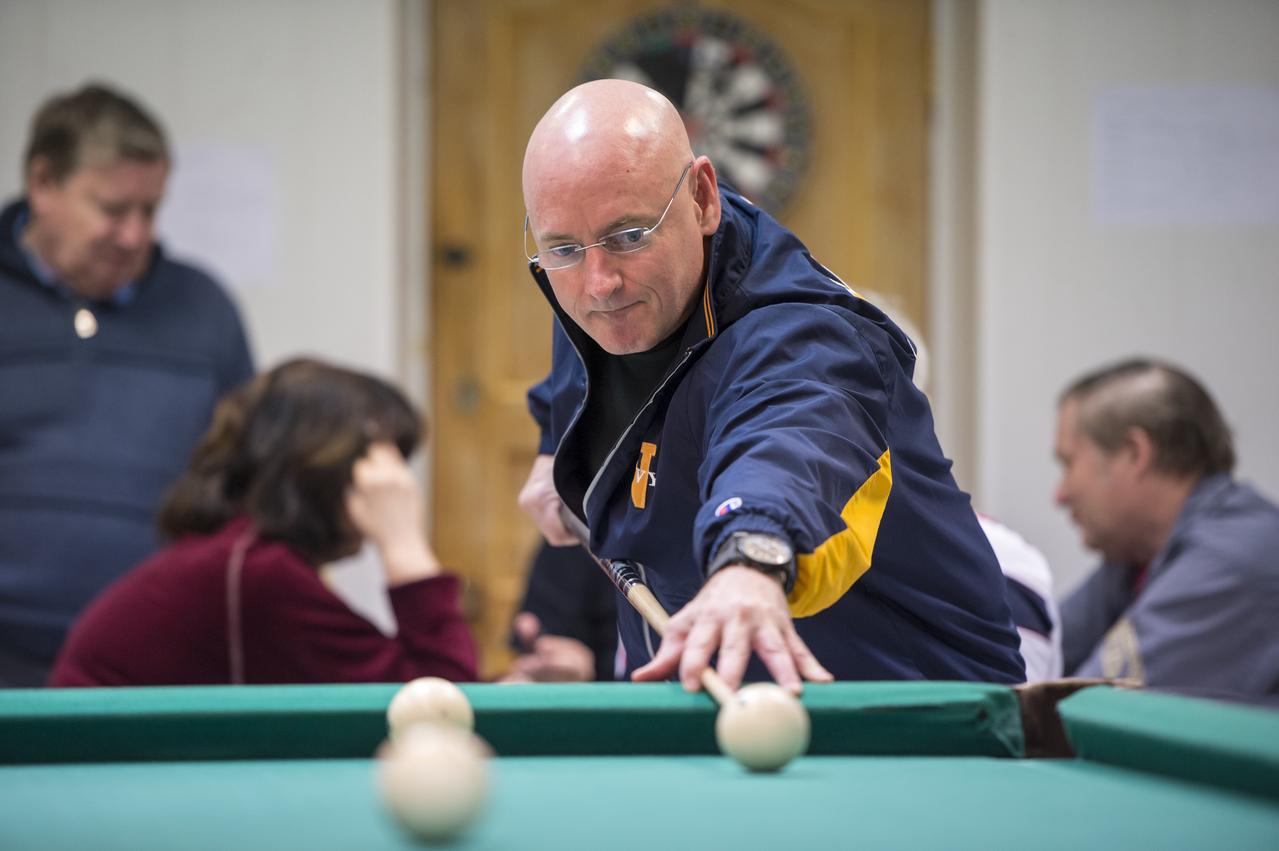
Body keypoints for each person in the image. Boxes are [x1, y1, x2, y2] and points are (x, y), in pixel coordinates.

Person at [517, 79, 1024, 694]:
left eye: (629, 236)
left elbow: (791, 438)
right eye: (564, 247)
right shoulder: (596, 281)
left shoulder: (810, 338)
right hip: (727, 724)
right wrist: (553, 448)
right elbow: (578, 373)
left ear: (703, 198)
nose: (598, 284)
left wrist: (749, 560)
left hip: (918, 729)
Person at [0, 83, 254, 685]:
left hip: (160, 656)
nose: (135, 235)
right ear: (43, 184)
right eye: (113, 210)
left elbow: (247, 481)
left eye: (150, 211)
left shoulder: (204, 306)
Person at [48, 358, 477, 686]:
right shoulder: (255, 576)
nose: (395, 482)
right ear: (329, 468)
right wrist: (405, 545)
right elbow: (440, 709)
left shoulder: (240, 558)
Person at [1055, 359, 1279, 699]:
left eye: (1069, 463)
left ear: (1134, 454)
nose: (1060, 494)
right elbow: (1036, 655)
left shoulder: (1232, 559)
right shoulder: (1135, 557)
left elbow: (1085, 712)